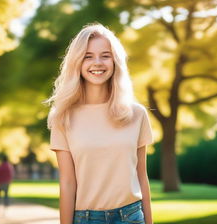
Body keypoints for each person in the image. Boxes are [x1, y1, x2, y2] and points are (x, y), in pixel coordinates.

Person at [45, 23, 154, 224]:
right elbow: (67, 183)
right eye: (88, 56)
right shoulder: (63, 117)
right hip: (86, 218)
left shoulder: (136, 114)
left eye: (105, 55)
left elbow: (141, 176)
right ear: (77, 62)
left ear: (115, 61)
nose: (97, 62)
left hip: (131, 217)